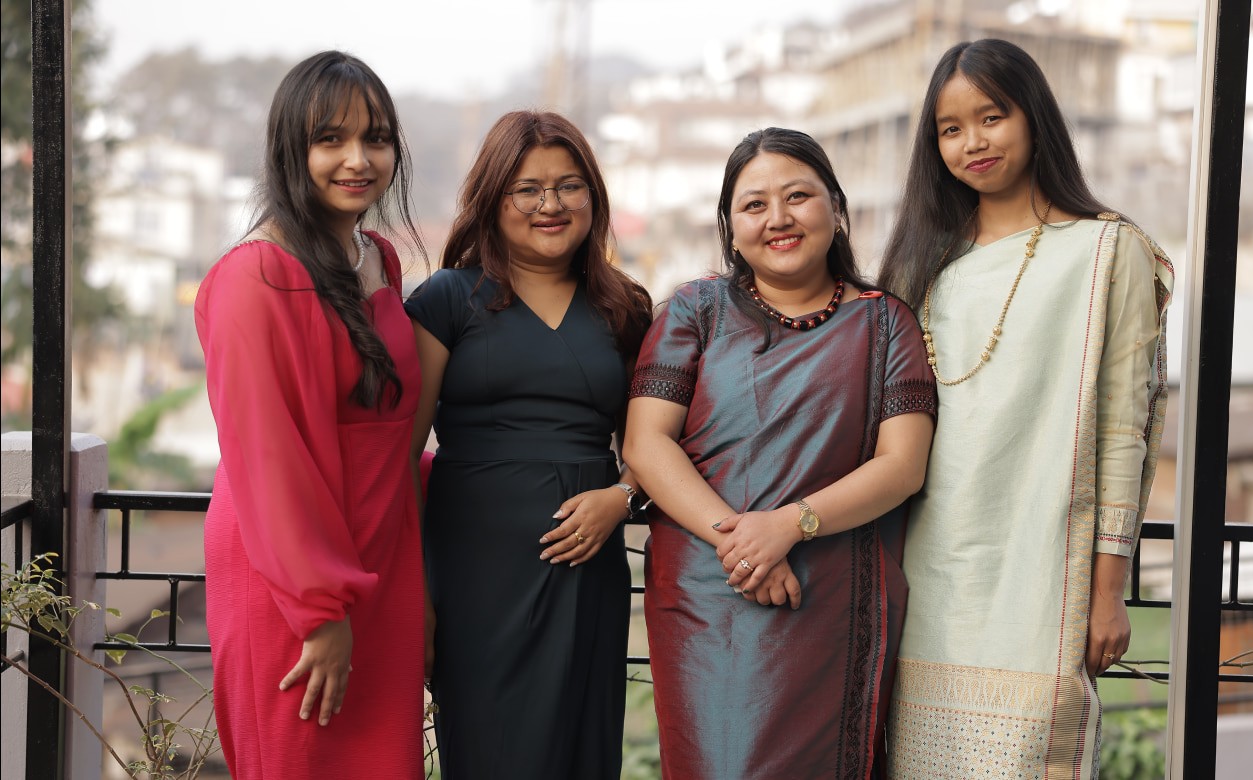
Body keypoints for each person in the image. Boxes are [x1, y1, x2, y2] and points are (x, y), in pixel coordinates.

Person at [876, 39, 1174, 778]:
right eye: (950, 129)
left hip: (1044, 584)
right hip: (923, 579)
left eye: (991, 116)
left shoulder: (1109, 250)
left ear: (1034, 117)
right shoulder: (922, 262)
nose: (972, 142)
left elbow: (1122, 434)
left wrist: (1108, 592)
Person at [623, 127, 937, 779]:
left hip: (825, 596)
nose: (779, 219)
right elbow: (648, 444)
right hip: (706, 594)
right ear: (730, 228)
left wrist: (788, 525)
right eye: (754, 204)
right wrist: (743, 544)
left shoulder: (886, 324)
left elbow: (902, 466)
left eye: (799, 196)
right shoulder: (695, 311)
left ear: (837, 208)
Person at [195, 51, 428, 779]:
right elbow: (267, 460)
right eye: (331, 139)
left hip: (383, 557)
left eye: (377, 138)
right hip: (290, 577)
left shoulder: (379, 259)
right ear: (291, 150)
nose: (357, 159)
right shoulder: (255, 276)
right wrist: (318, 611)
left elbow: (388, 427)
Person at [404, 110, 653, 779]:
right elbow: (402, 457)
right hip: (472, 580)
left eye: (569, 186)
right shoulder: (446, 300)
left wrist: (620, 500)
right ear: (494, 198)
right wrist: (418, 600)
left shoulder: (625, 308)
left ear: (593, 198)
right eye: (529, 189)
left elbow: (651, 448)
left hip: (586, 576)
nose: (551, 204)